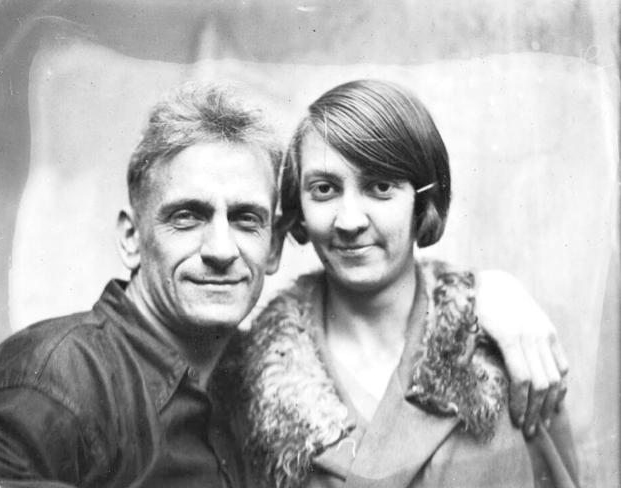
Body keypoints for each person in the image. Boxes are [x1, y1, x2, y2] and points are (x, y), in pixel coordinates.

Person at [0, 81, 568, 488]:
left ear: (276, 243)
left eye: (247, 219)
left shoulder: (232, 377)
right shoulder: (53, 382)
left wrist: (479, 293)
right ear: (130, 237)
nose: (221, 250)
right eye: (187, 216)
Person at [232, 80, 579, 488]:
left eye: (380, 187)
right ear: (299, 208)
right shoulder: (251, 380)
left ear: (423, 202)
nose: (350, 221)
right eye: (324, 189)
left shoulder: (506, 347)